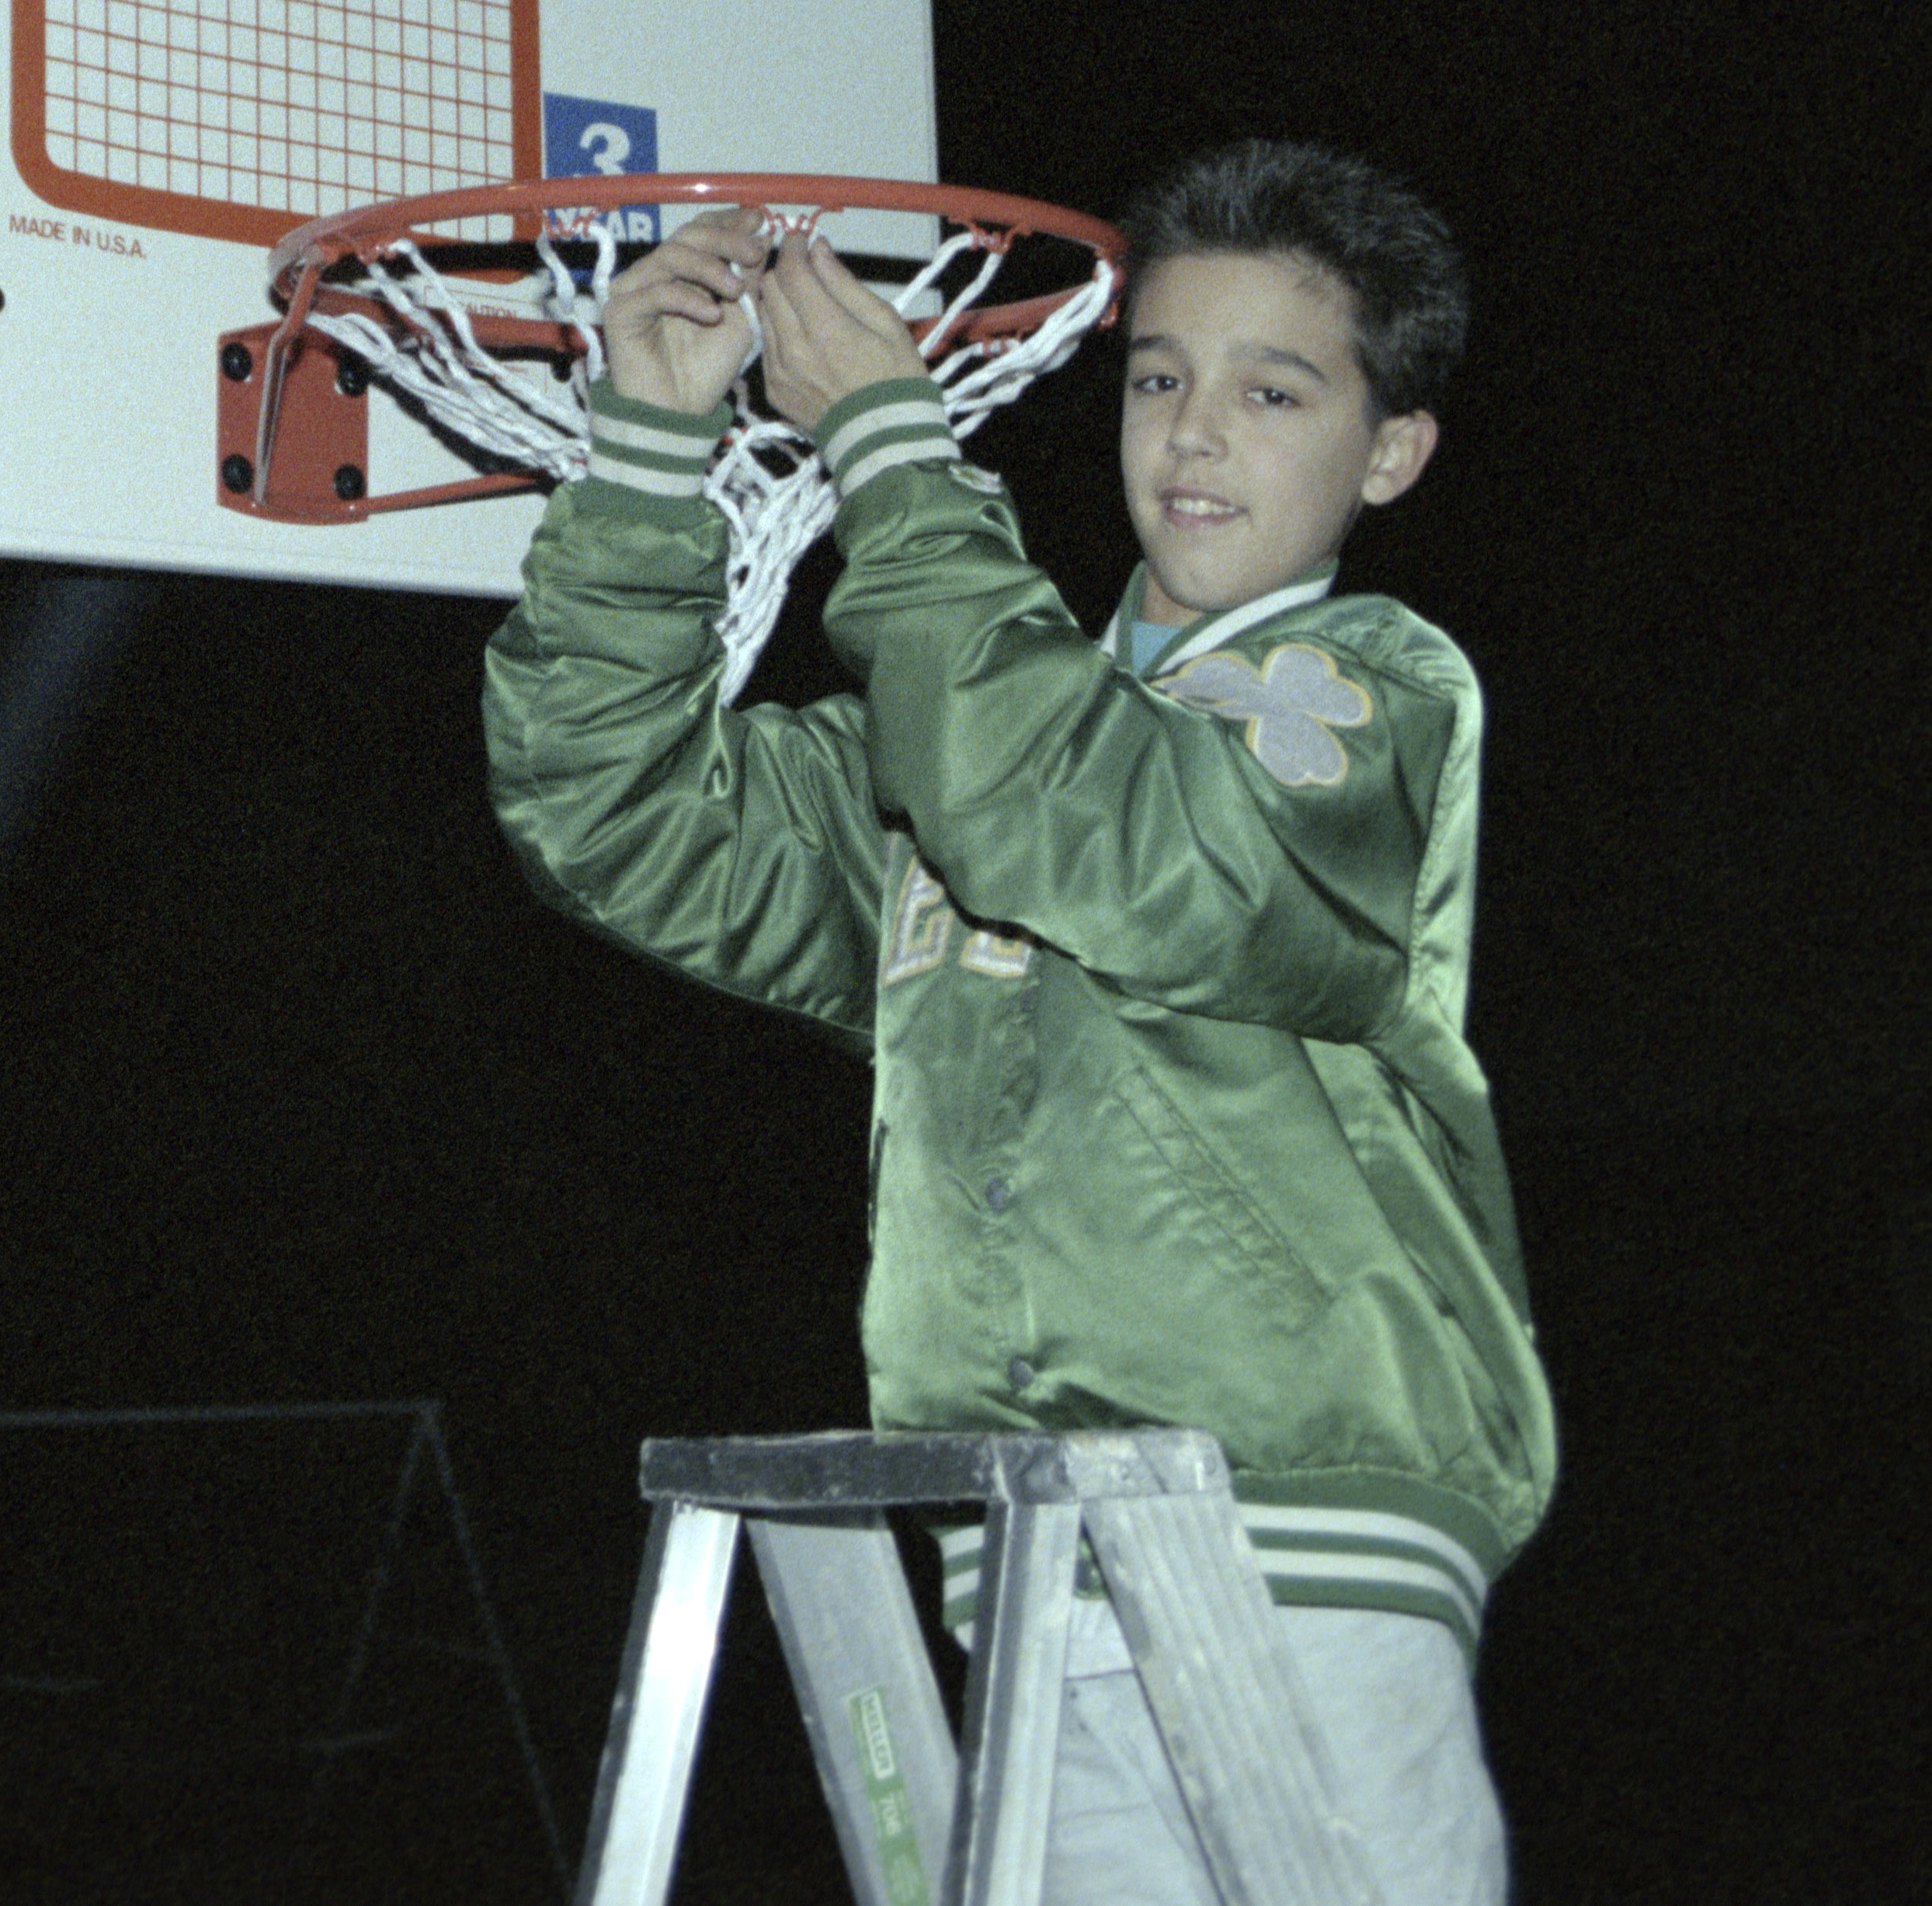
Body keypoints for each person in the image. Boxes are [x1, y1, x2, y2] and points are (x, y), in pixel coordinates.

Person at [484, 139, 1553, 1904]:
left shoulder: (1369, 690)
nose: (1192, 434)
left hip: (1303, 1536)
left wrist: (892, 449)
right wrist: (653, 448)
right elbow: (614, 813)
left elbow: (1103, 829)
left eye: (1270, 391)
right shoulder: (964, 744)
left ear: (1390, 451)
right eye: (1158, 378)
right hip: (1034, 1547)